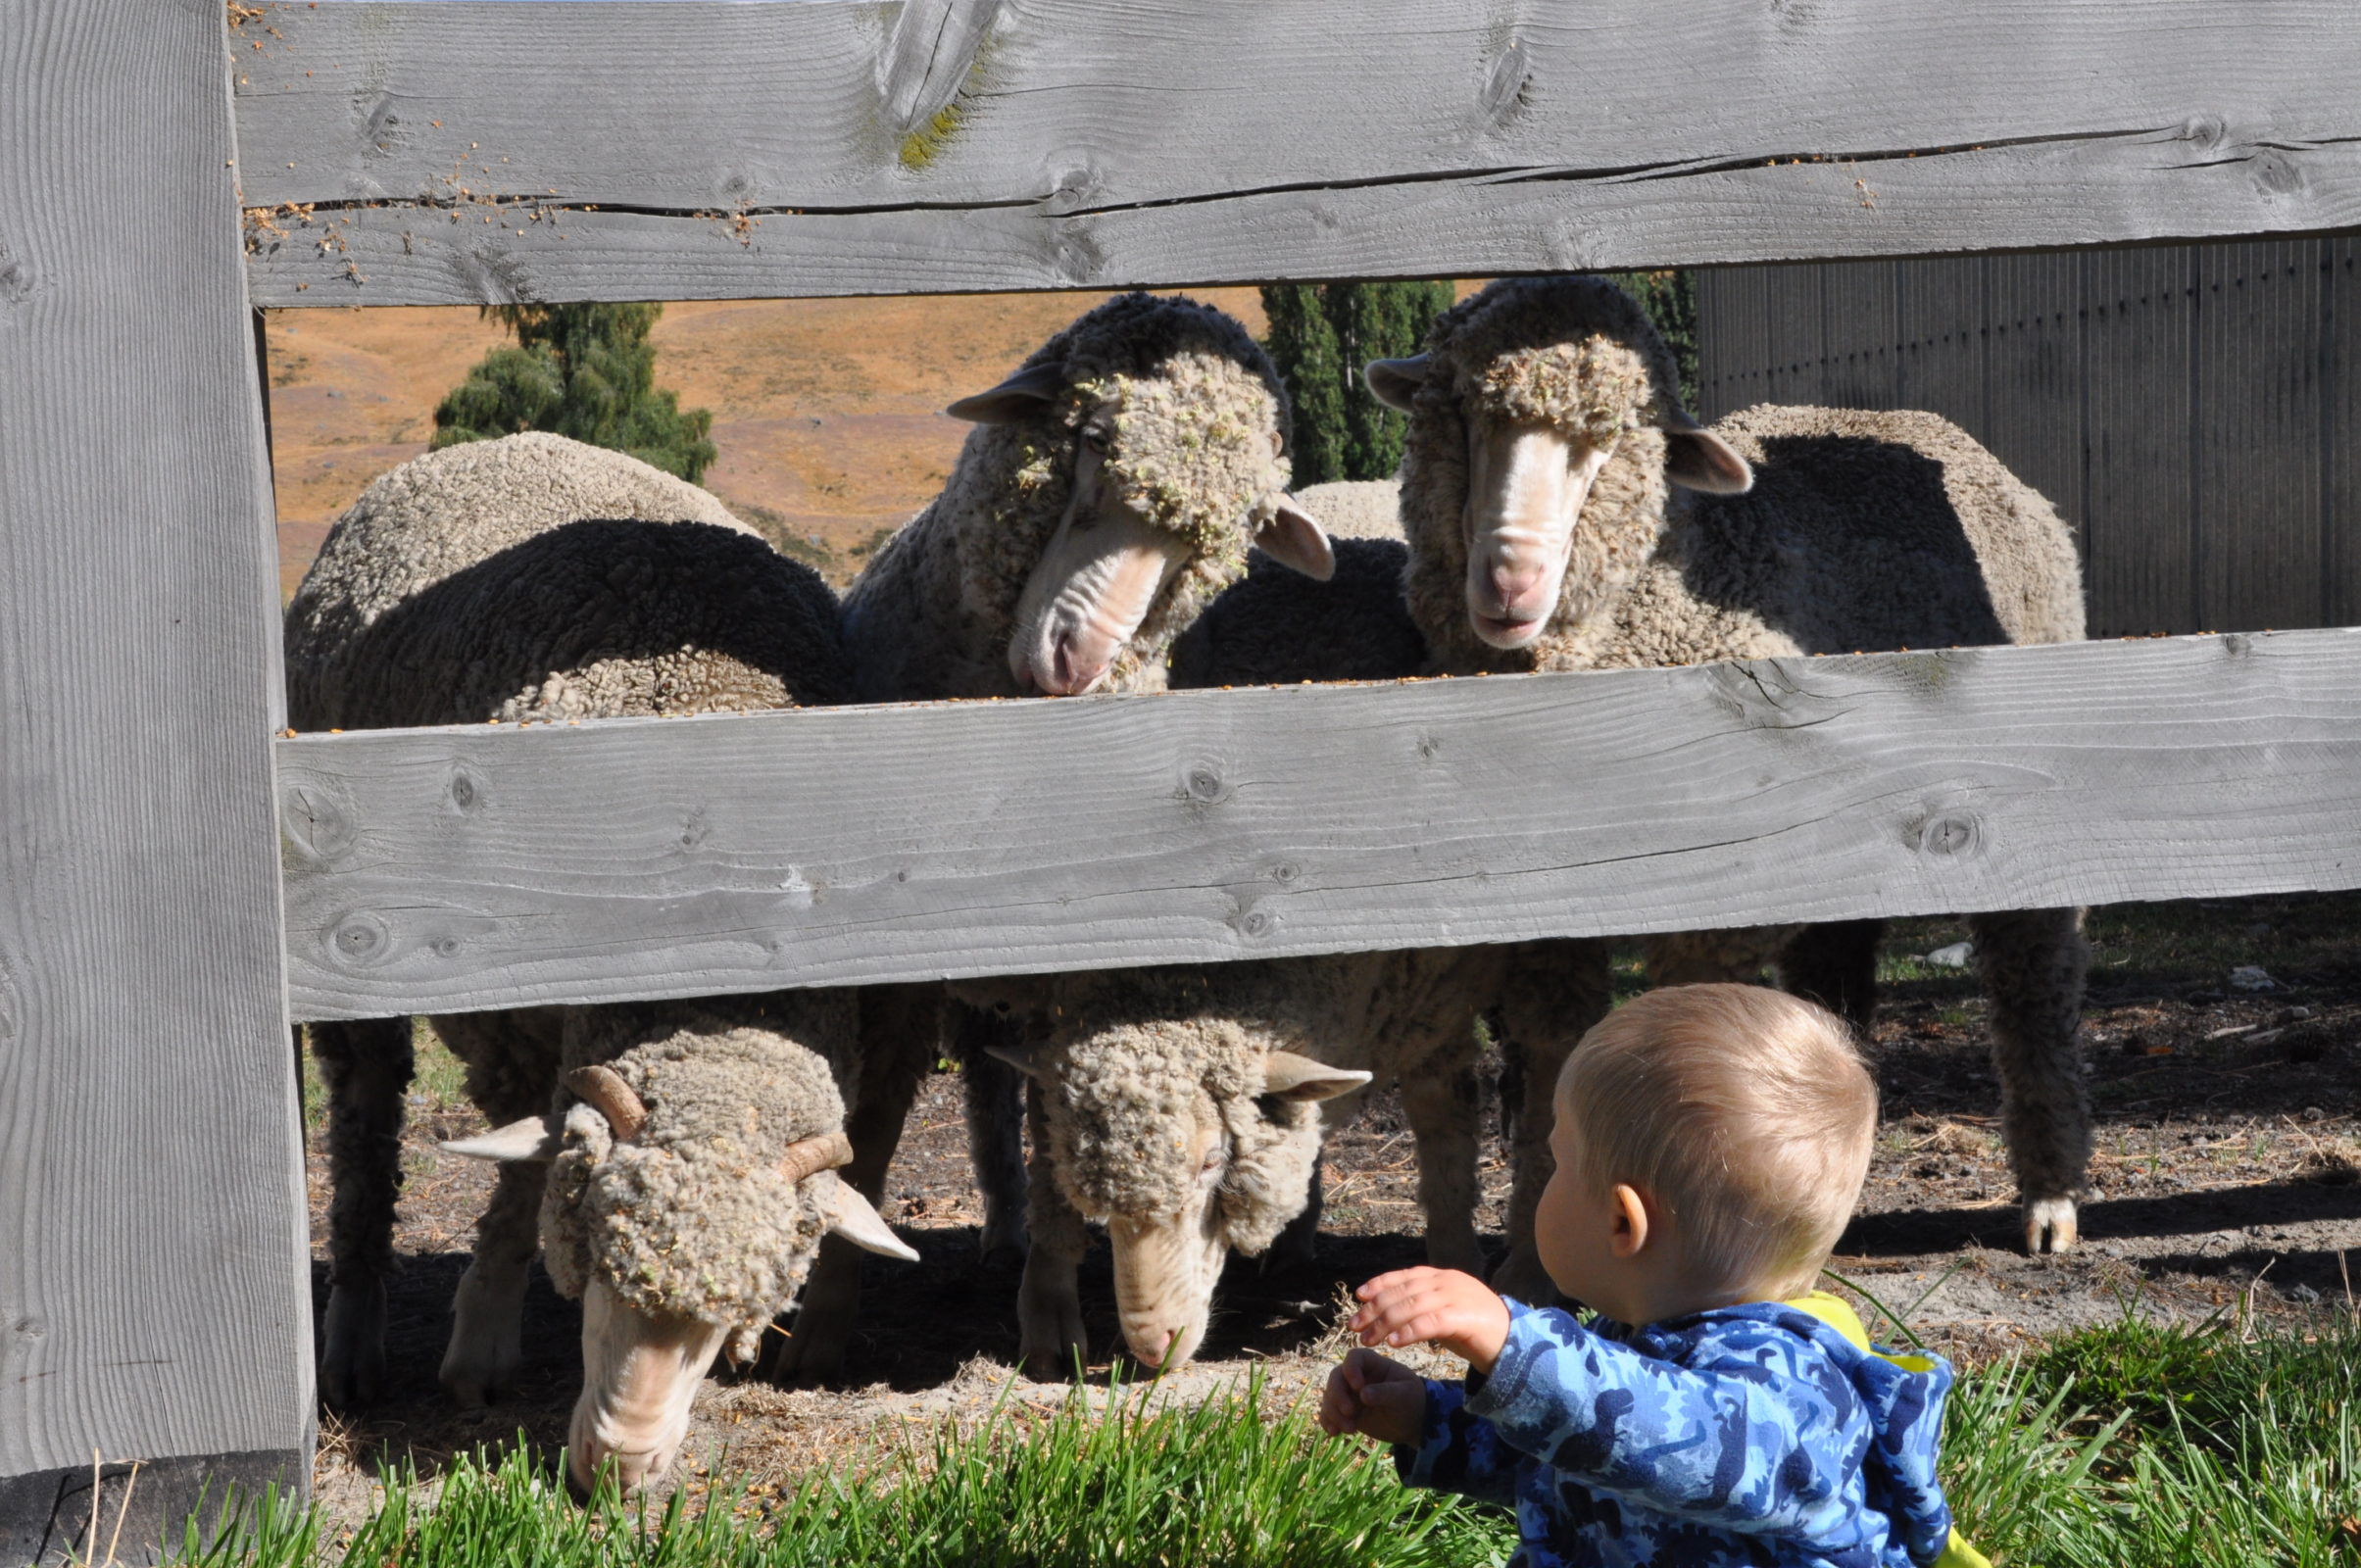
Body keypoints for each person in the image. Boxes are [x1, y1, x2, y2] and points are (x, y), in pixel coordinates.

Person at [1318, 983, 1985, 1568]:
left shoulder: (1788, 1382)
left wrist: (1518, 1345)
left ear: (1620, 1223)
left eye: (1555, 1166)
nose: (1537, 1186)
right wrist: (1423, 1419)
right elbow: (1576, 1456)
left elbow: (1682, 1444)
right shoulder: (1632, 1345)